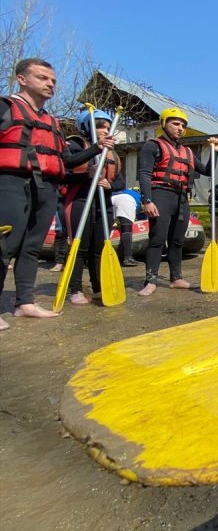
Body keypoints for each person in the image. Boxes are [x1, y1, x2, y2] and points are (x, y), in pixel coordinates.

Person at [0, 58, 114, 329]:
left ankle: (24, 302)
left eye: (52, 80)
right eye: (42, 78)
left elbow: (68, 160)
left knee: (31, 248)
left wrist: (98, 148)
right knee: (4, 247)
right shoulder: (6, 107)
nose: (50, 83)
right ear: (22, 79)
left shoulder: (51, 121)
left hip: (46, 187)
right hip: (11, 183)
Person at [136, 107, 218, 296]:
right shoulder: (153, 145)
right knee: (157, 239)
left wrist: (215, 152)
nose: (180, 128)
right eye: (175, 123)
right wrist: (147, 200)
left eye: (183, 125)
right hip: (160, 195)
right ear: (163, 124)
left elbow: (207, 171)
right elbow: (144, 174)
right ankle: (150, 280)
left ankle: (176, 278)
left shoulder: (187, 152)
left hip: (181, 198)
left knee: (177, 241)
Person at [62, 109, 123, 304]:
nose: (104, 130)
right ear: (86, 127)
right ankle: (75, 289)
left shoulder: (112, 152)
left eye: (106, 127)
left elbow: (121, 181)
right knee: (81, 247)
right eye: (99, 126)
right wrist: (88, 173)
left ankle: (98, 286)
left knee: (99, 248)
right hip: (80, 200)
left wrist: (110, 184)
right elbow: (66, 167)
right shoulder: (74, 144)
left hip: (102, 203)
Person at [111, 185, 142, 266]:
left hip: (112, 197)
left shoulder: (129, 189)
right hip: (127, 200)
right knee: (127, 229)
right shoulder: (144, 195)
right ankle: (128, 257)